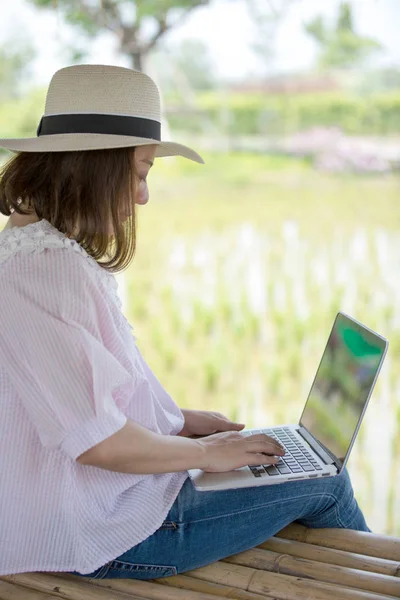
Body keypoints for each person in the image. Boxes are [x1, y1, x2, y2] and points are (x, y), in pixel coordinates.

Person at [0, 64, 370, 580]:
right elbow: (96, 441)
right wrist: (202, 453)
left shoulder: (33, 249)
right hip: (105, 526)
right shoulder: (45, 268)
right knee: (326, 482)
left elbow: (75, 404)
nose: (142, 196)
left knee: (280, 460)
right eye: (141, 172)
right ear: (96, 167)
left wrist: (179, 422)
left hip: (94, 501)